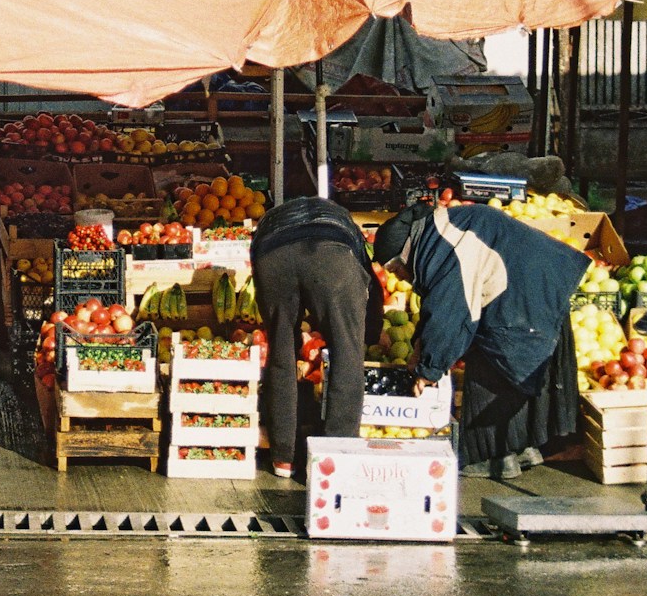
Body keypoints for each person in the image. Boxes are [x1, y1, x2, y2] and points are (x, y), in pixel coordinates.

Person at [372, 201, 588, 480]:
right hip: (538, 284)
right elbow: (437, 304)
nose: (399, 277)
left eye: (395, 269)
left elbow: (450, 312)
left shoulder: (445, 247)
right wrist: (420, 347)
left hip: (524, 293)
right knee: (509, 357)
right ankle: (522, 447)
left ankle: (491, 458)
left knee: (493, 357)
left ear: (405, 253)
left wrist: (428, 370)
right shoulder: (438, 235)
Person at [250, 196, 382, 479]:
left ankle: (283, 458)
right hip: (330, 257)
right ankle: (337, 456)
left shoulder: (269, 220)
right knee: (347, 353)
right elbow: (371, 284)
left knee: (281, 352)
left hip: (272, 255)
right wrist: (368, 334)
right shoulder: (343, 219)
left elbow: (258, 263)